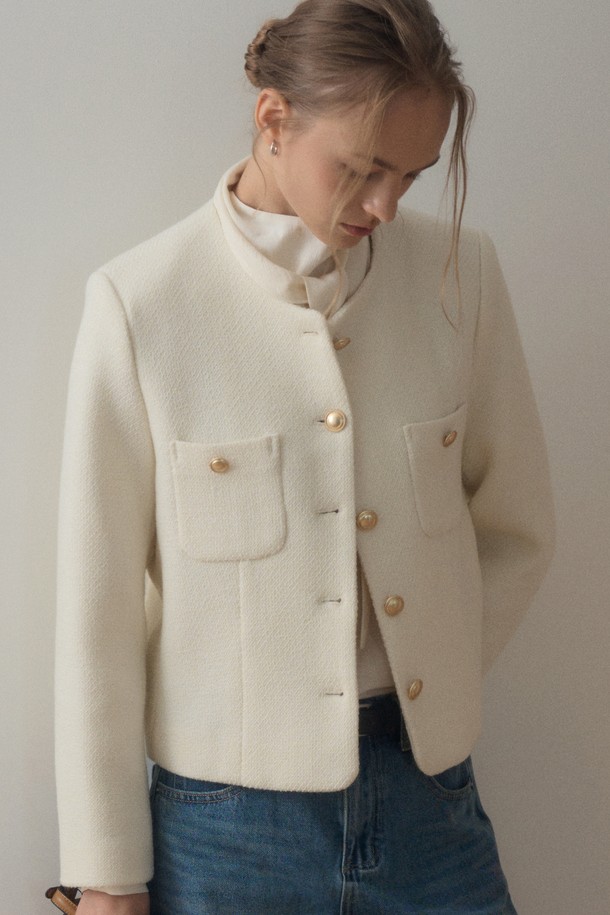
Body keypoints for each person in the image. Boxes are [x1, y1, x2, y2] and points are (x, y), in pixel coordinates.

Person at [53, 0, 555, 912]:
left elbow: (517, 526)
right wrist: (107, 873)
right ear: (273, 119)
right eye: (362, 169)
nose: (386, 205)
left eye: (412, 174)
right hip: (223, 826)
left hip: (430, 801)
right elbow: (97, 615)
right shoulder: (141, 306)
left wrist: (434, 676)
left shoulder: (462, 275)